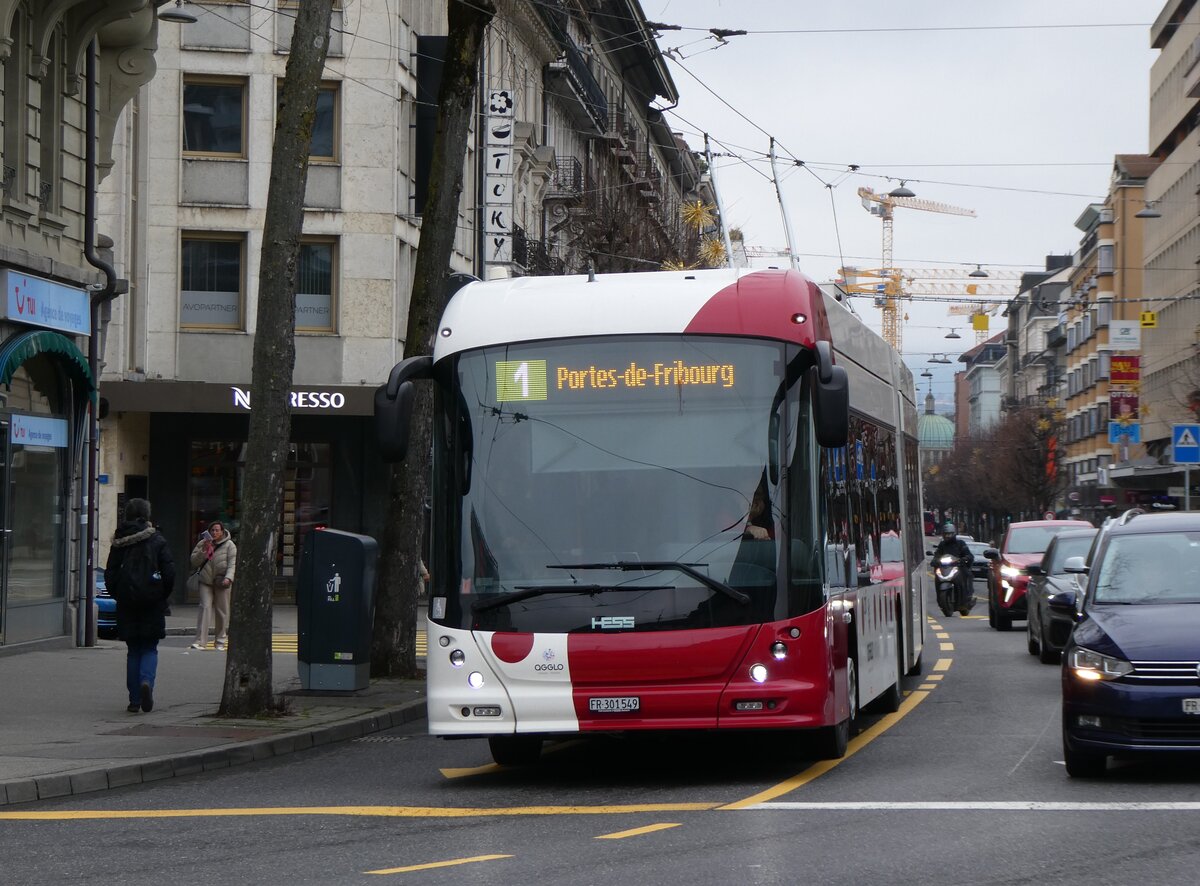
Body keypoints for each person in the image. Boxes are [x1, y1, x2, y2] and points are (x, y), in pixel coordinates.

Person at [104, 498, 175, 713]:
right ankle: (147, 683)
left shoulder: (119, 541)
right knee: (150, 648)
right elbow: (170, 572)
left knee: (133, 650)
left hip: (127, 603)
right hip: (152, 602)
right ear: (147, 514)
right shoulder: (157, 540)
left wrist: (120, 594)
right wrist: (162, 594)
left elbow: (110, 574)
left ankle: (134, 699)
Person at [189, 520, 238, 651]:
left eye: (217, 530)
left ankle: (220, 641)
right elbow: (194, 561)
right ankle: (200, 641)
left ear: (222, 532)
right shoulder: (202, 543)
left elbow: (232, 564)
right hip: (205, 580)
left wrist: (229, 577)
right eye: (212, 530)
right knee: (204, 607)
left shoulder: (230, 545)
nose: (215, 533)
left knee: (222, 611)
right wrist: (204, 549)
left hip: (221, 581)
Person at [932, 522, 974, 608]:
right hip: (945, 568)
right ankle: (940, 600)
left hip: (958, 566)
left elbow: (968, 554)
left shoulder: (960, 543)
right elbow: (937, 554)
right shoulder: (942, 545)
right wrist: (935, 561)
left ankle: (966, 597)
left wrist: (964, 559)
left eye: (949, 534)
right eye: (946, 534)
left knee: (966, 574)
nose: (947, 536)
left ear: (954, 534)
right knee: (937, 576)